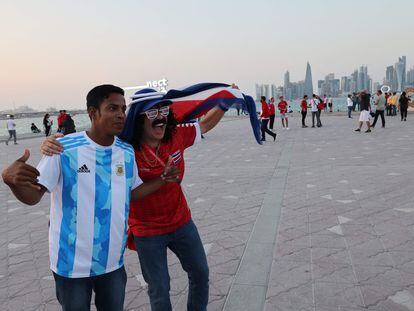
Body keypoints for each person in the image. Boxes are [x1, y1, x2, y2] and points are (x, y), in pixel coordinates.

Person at [40, 84, 246, 311]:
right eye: (152, 113)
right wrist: (53, 143)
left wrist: (224, 102)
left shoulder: (175, 137)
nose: (160, 118)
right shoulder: (125, 149)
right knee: (159, 288)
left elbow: (204, 124)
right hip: (147, 231)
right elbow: (99, 161)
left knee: (200, 273)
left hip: (182, 222)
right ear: (139, 118)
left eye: (163, 112)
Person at [2, 84, 180, 311]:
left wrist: (163, 179)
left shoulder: (125, 151)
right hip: (71, 265)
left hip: (112, 262)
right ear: (93, 113)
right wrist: (11, 181)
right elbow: (34, 196)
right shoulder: (63, 148)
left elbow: (131, 193)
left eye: (123, 109)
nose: (120, 115)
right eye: (112, 108)